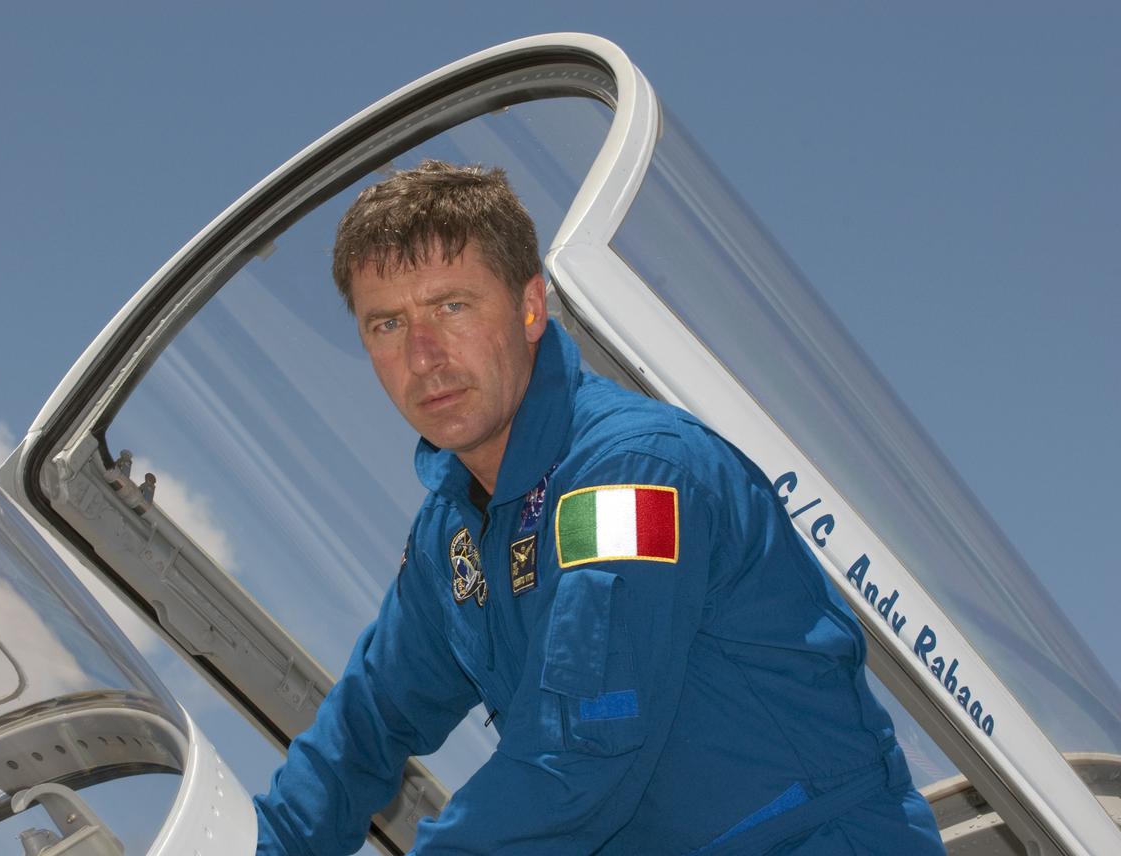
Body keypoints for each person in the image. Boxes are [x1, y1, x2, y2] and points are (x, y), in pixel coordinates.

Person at [254, 161, 945, 854]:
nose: (423, 354)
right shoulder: (453, 538)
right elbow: (362, 732)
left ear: (531, 308)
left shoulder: (626, 479)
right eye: (387, 324)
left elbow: (579, 752)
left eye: (452, 306)